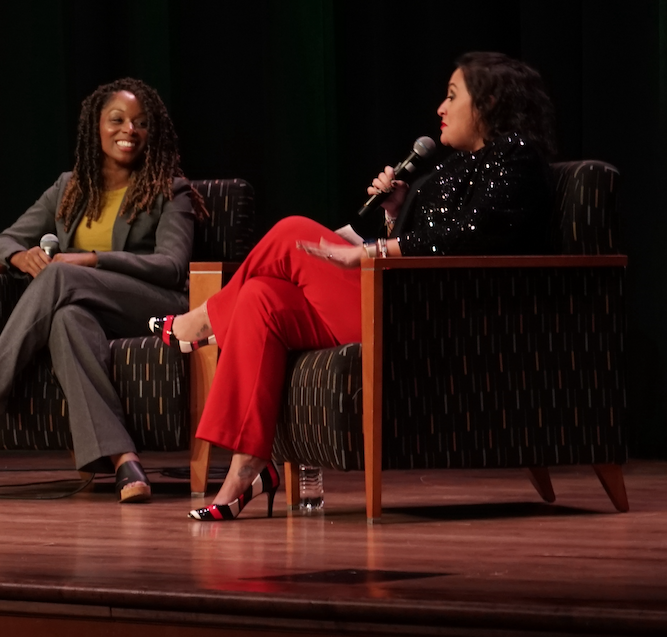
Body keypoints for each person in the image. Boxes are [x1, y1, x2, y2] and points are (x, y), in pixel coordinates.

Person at [162, 52, 556, 520]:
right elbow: (424, 237)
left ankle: (201, 321)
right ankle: (248, 467)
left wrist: (373, 251)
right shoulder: (453, 168)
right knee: (259, 298)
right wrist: (395, 210)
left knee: (291, 232)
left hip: (432, 321)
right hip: (393, 301)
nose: (440, 109)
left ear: (489, 100)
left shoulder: (517, 157)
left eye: (453, 96)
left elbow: (468, 238)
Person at [0, 78, 201, 503]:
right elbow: (3, 240)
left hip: (157, 309)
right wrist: (19, 257)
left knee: (61, 275)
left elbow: (173, 266)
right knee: (66, 320)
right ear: (95, 128)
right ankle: (125, 463)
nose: (130, 130)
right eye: (117, 120)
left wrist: (92, 259)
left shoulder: (169, 189)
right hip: (86, 307)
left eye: (140, 123)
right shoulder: (68, 188)